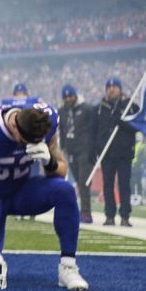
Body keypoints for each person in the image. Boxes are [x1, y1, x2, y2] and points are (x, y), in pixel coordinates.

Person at [0, 101, 87, 290]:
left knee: (65, 190)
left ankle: (68, 267)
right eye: (24, 141)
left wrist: (49, 162)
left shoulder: (47, 121)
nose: (28, 145)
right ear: (13, 126)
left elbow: (61, 171)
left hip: (23, 191)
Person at [94, 76, 137, 226]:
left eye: (115, 87)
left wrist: (122, 121)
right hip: (107, 153)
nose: (111, 89)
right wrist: (98, 147)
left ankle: (125, 216)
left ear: (120, 89)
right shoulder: (100, 107)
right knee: (107, 185)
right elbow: (96, 129)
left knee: (124, 185)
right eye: (109, 87)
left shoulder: (129, 105)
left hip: (124, 153)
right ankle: (109, 215)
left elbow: (137, 126)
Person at [57, 84, 96, 223]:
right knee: (78, 182)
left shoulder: (87, 109)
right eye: (65, 97)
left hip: (84, 150)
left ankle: (86, 212)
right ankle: (79, 211)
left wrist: (93, 150)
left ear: (75, 96)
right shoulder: (62, 111)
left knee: (84, 181)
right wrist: (62, 148)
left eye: (70, 96)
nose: (68, 99)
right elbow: (61, 130)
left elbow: (93, 130)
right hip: (71, 150)